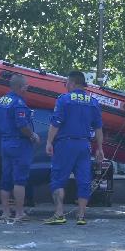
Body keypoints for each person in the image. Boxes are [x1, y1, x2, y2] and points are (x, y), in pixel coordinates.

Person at [43, 71, 106, 225]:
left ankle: (59, 214)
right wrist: (100, 148)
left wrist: (49, 142)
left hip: (65, 144)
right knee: (84, 180)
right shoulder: (93, 102)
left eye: (66, 82)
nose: (65, 85)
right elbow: (98, 128)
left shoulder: (64, 100)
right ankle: (81, 216)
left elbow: (55, 123)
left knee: (58, 179)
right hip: (84, 145)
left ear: (72, 83)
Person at [0, 72, 40, 222]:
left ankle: (5, 213)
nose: (27, 88)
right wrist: (32, 135)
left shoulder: (2, 100)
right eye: (26, 85)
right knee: (19, 180)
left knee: (5, 179)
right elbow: (22, 125)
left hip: (5, 142)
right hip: (19, 144)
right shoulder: (19, 104)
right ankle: (20, 213)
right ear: (21, 88)